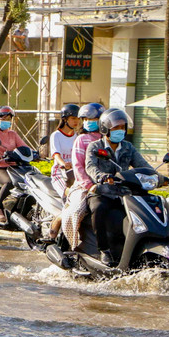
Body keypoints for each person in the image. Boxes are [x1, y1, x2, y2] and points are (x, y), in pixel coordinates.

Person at [85, 108, 155, 266]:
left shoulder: (128, 147)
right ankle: (104, 250)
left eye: (123, 127)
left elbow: (142, 165)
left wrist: (157, 176)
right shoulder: (95, 147)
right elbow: (91, 167)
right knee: (98, 209)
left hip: (124, 193)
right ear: (105, 129)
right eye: (116, 127)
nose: (120, 130)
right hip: (103, 192)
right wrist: (102, 177)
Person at [61, 102, 105, 245]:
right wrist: (89, 185)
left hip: (106, 183)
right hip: (84, 186)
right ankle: (73, 244)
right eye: (85, 119)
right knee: (76, 211)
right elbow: (78, 166)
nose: (88, 122)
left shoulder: (106, 139)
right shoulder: (82, 139)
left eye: (92, 119)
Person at [0, 105, 29, 224]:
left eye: (8, 119)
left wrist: (34, 153)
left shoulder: (13, 134)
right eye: (3, 119)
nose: (6, 121)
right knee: (9, 182)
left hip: (14, 166)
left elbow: (23, 147)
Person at [49, 104, 79, 199]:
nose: (76, 121)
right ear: (65, 119)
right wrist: (64, 164)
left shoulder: (77, 136)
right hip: (60, 172)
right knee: (69, 194)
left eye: (78, 118)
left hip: (75, 172)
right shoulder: (56, 135)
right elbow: (56, 154)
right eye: (73, 118)